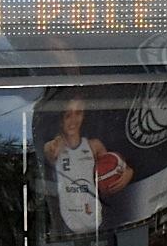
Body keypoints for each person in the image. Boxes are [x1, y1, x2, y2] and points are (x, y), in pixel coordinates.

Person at [39, 92, 133, 237]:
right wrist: (54, 145)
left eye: (78, 113)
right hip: (66, 223)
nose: (73, 119)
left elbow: (111, 169)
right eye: (68, 115)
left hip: (96, 217)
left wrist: (128, 173)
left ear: (84, 116)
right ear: (60, 119)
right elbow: (49, 152)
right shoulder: (54, 146)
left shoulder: (94, 146)